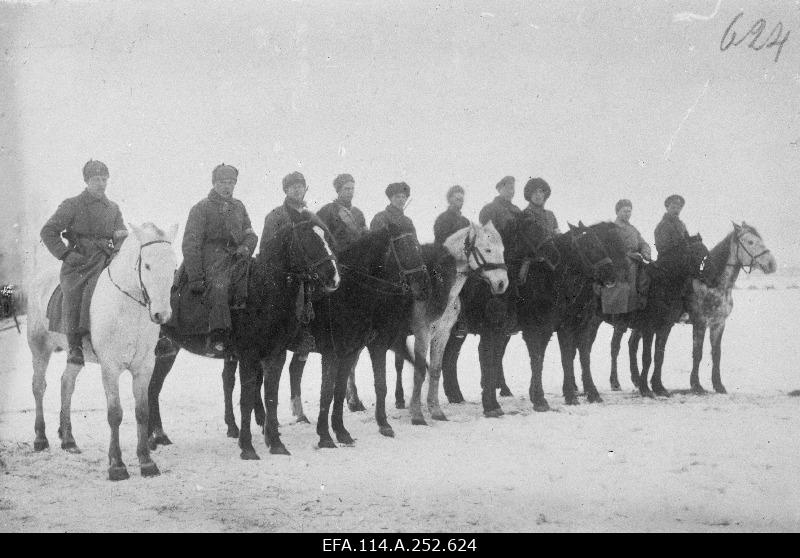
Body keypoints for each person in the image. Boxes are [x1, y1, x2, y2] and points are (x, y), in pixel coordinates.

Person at [40, 159, 128, 365]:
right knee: (76, 291)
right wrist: (65, 255)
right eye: (96, 179)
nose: (101, 183)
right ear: (86, 180)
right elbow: (48, 231)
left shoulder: (112, 208)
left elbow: (120, 234)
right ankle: (75, 345)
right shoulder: (72, 205)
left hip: (106, 257)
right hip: (79, 260)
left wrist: (118, 250)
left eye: (104, 179)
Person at [181, 163, 258, 354]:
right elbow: (191, 244)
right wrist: (196, 276)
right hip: (211, 259)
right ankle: (218, 336)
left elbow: (251, 234)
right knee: (220, 286)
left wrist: (246, 247)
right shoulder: (201, 208)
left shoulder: (239, 206)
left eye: (231, 183)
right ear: (214, 184)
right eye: (223, 182)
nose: (227, 187)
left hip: (237, 257)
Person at [260, 171, 315, 356]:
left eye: (300, 186)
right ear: (286, 190)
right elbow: (266, 247)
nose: (297, 190)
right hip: (282, 272)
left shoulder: (309, 215)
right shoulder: (275, 215)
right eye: (293, 187)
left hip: (306, 271)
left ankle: (308, 338)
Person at [601, 199, 652, 315]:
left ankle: (643, 305)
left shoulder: (633, 229)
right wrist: (627, 254)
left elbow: (642, 243)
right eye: (625, 211)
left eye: (629, 211)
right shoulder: (612, 228)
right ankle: (625, 310)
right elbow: (608, 247)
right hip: (618, 261)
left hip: (635, 259)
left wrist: (646, 252)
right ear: (617, 212)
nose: (627, 214)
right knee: (629, 274)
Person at [654, 194, 698, 323]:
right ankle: (677, 311)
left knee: (698, 273)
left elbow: (686, 241)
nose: (676, 209)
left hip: (682, 260)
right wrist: (680, 245)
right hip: (667, 260)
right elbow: (661, 246)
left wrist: (694, 240)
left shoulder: (681, 224)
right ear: (667, 207)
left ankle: (691, 309)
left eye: (679, 207)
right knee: (680, 279)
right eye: (673, 206)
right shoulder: (663, 225)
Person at [434, 185, 471, 337]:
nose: (460, 202)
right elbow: (441, 241)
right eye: (457, 199)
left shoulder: (465, 220)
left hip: (464, 261)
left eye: (462, 199)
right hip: (447, 261)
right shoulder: (443, 219)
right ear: (449, 199)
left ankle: (466, 319)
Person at [316, 173, 368, 253]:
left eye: (352, 189)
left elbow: (366, 236)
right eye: (347, 189)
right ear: (338, 190)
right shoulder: (327, 210)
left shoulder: (358, 213)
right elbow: (317, 234)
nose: (350, 192)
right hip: (337, 258)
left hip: (359, 257)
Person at [478, 175, 521, 241]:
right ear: (499, 189)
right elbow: (485, 235)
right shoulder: (488, 209)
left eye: (512, 188)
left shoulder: (517, 211)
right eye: (507, 188)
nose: (510, 191)